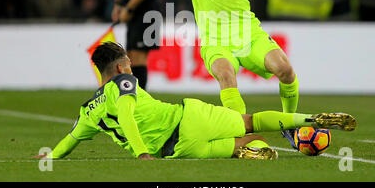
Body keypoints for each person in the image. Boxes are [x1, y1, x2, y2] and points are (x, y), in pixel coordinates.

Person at [91, 0, 301, 148]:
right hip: (216, 42)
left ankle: (290, 126)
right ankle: (239, 137)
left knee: (285, 70)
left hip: (249, 35)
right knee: (226, 74)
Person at [35, 42, 356, 160]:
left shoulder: (88, 110)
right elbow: (128, 116)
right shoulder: (125, 82)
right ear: (120, 67)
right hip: (186, 119)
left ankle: (253, 153)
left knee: (239, 148)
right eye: (129, 64)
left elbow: (69, 140)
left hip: (175, 151)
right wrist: (142, 154)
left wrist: (49, 156)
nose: (131, 68)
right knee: (251, 124)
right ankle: (310, 120)